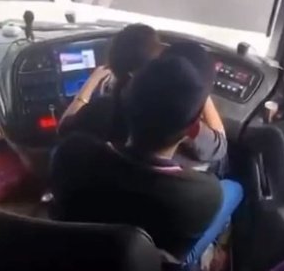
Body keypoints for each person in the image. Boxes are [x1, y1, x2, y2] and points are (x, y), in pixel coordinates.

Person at [49, 43, 243, 263]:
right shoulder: (205, 194)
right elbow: (219, 147)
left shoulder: (70, 154)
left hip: (80, 257)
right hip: (151, 262)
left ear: (125, 101)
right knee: (235, 188)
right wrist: (198, 94)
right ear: (192, 128)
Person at [59, 25, 228, 173]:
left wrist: (91, 82)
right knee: (233, 186)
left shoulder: (103, 108)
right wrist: (196, 89)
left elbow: (64, 128)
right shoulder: (177, 112)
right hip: (169, 187)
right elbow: (219, 148)